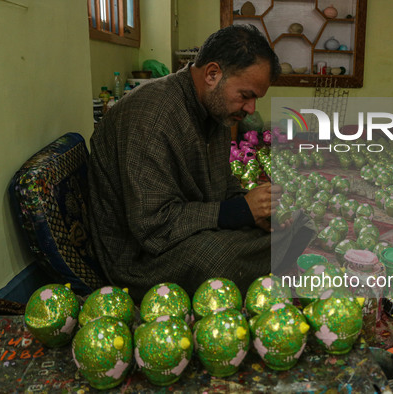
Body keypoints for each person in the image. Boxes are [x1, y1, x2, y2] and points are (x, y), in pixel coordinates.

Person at [88, 24, 315, 301]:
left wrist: (257, 210)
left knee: (294, 221)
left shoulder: (215, 110)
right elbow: (152, 227)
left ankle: (259, 257)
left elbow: (220, 188)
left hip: (187, 228)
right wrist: (241, 211)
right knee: (216, 261)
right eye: (246, 95)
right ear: (212, 74)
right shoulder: (151, 117)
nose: (251, 109)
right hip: (140, 257)